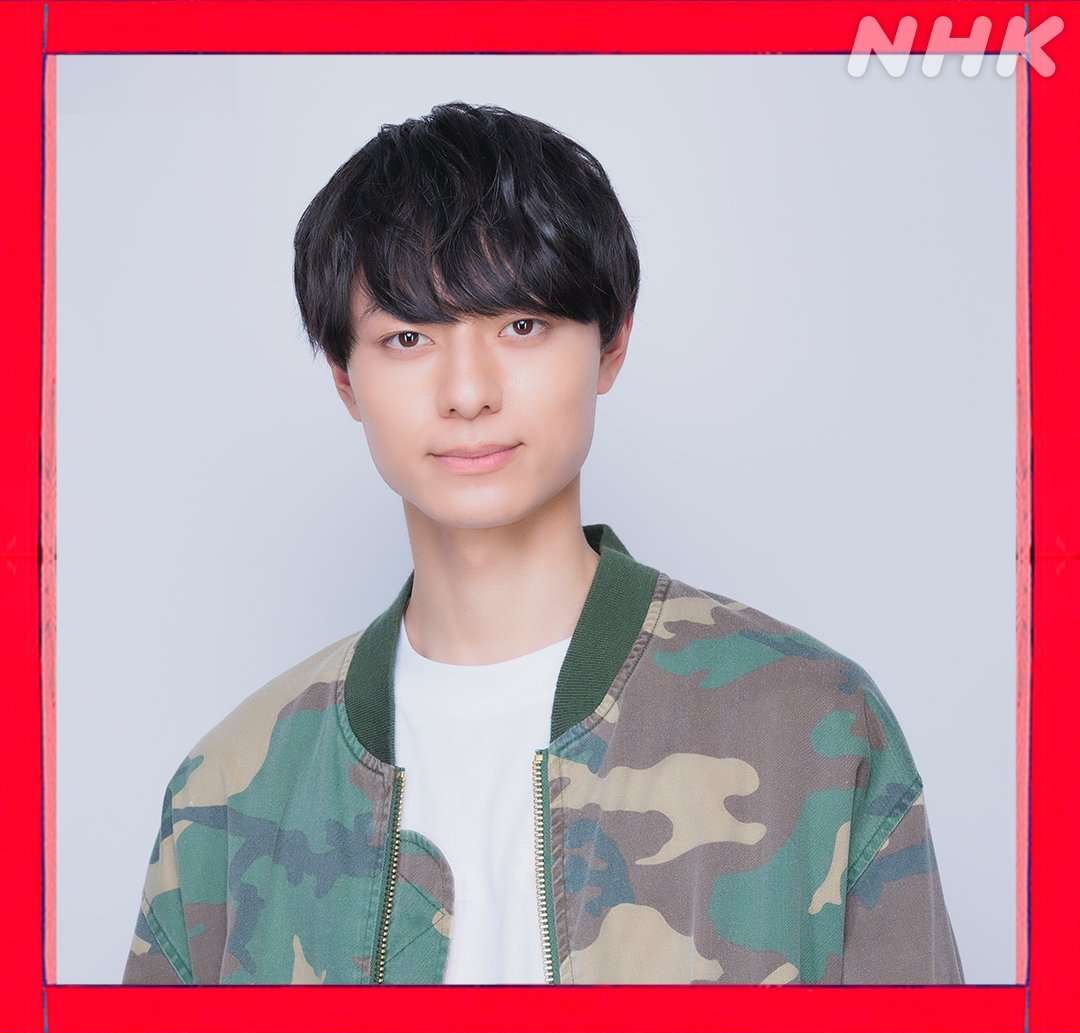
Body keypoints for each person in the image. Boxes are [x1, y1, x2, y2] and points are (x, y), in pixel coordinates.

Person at [122, 101, 964, 986]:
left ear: (611, 345)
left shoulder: (814, 727)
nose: (468, 392)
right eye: (407, 337)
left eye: (521, 326)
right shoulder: (225, 794)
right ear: (345, 379)